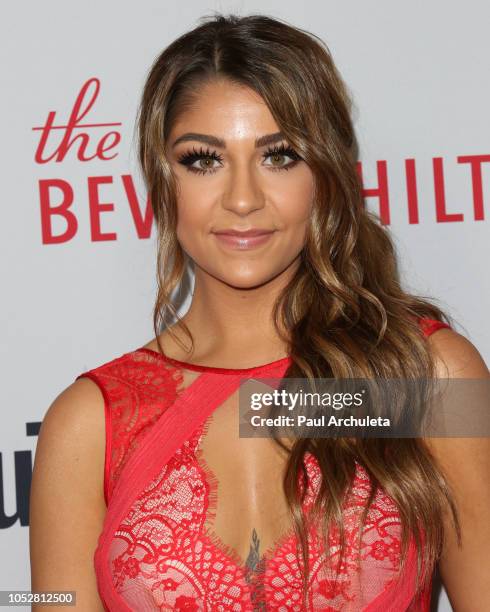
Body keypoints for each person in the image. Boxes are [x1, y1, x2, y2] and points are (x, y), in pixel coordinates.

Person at [29, 12, 490, 611]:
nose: (243, 199)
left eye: (280, 156)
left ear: (325, 175)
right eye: (203, 160)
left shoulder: (428, 379)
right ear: (160, 180)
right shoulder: (88, 425)